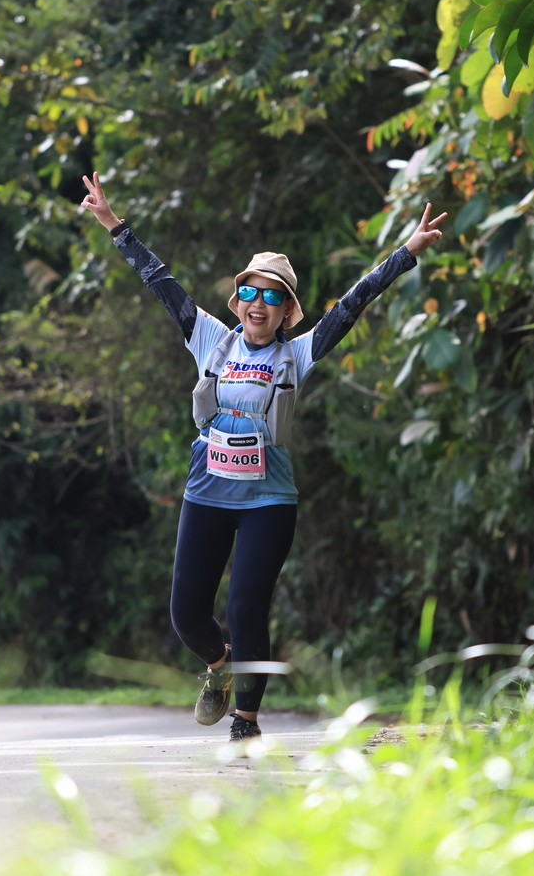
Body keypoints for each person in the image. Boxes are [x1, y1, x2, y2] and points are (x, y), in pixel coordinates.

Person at [81, 172, 446, 743]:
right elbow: (159, 280)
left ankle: (246, 724)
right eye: (251, 292)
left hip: (268, 499)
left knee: (247, 606)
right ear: (239, 299)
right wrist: (112, 223)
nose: (259, 303)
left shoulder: (298, 353)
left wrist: (406, 252)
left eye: (273, 296)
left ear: (286, 310)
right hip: (208, 489)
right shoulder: (210, 338)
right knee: (186, 614)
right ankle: (220, 666)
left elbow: (353, 304)